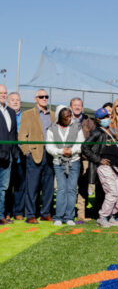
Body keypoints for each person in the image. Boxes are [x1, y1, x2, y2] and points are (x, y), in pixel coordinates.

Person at [82, 108, 118, 228]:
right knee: (112, 193)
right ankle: (102, 217)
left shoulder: (112, 131)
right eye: (103, 117)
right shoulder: (96, 132)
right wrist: (98, 160)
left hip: (117, 166)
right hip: (105, 167)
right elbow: (85, 147)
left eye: (108, 116)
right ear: (98, 120)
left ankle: (112, 216)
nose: (107, 119)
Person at [19, 89, 55, 224]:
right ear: (36, 99)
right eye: (41, 96)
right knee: (32, 187)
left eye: (46, 96)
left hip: (50, 155)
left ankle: (45, 213)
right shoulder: (28, 114)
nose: (44, 98)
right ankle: (30, 214)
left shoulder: (53, 115)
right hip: (34, 154)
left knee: (48, 187)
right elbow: (22, 136)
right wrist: (27, 152)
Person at [46, 106, 84, 226]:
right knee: (61, 189)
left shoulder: (77, 126)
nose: (69, 118)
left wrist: (71, 151)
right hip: (59, 162)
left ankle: (69, 217)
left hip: (74, 161)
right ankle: (59, 216)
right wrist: (61, 151)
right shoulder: (51, 129)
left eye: (70, 115)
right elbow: (49, 147)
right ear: (59, 118)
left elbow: (81, 143)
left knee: (72, 189)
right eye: (65, 117)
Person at [70, 97, 95, 221]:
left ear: (82, 107)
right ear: (70, 107)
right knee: (70, 186)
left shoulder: (89, 121)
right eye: (75, 105)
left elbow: (94, 139)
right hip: (70, 158)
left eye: (79, 105)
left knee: (83, 187)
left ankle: (81, 214)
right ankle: (68, 212)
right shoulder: (66, 119)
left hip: (84, 159)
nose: (77, 107)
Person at [6, 92, 25, 221]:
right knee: (6, 186)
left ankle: (18, 211)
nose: (15, 102)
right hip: (7, 156)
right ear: (8, 101)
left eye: (17, 100)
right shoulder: (4, 115)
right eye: (12, 100)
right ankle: (6, 212)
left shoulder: (25, 116)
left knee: (20, 185)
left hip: (21, 156)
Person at [0, 85, 17, 225]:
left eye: (5, 93)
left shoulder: (11, 112)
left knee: (4, 187)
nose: (3, 95)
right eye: (1, 93)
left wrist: (14, 153)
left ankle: (1, 215)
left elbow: (13, 134)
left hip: (8, 156)